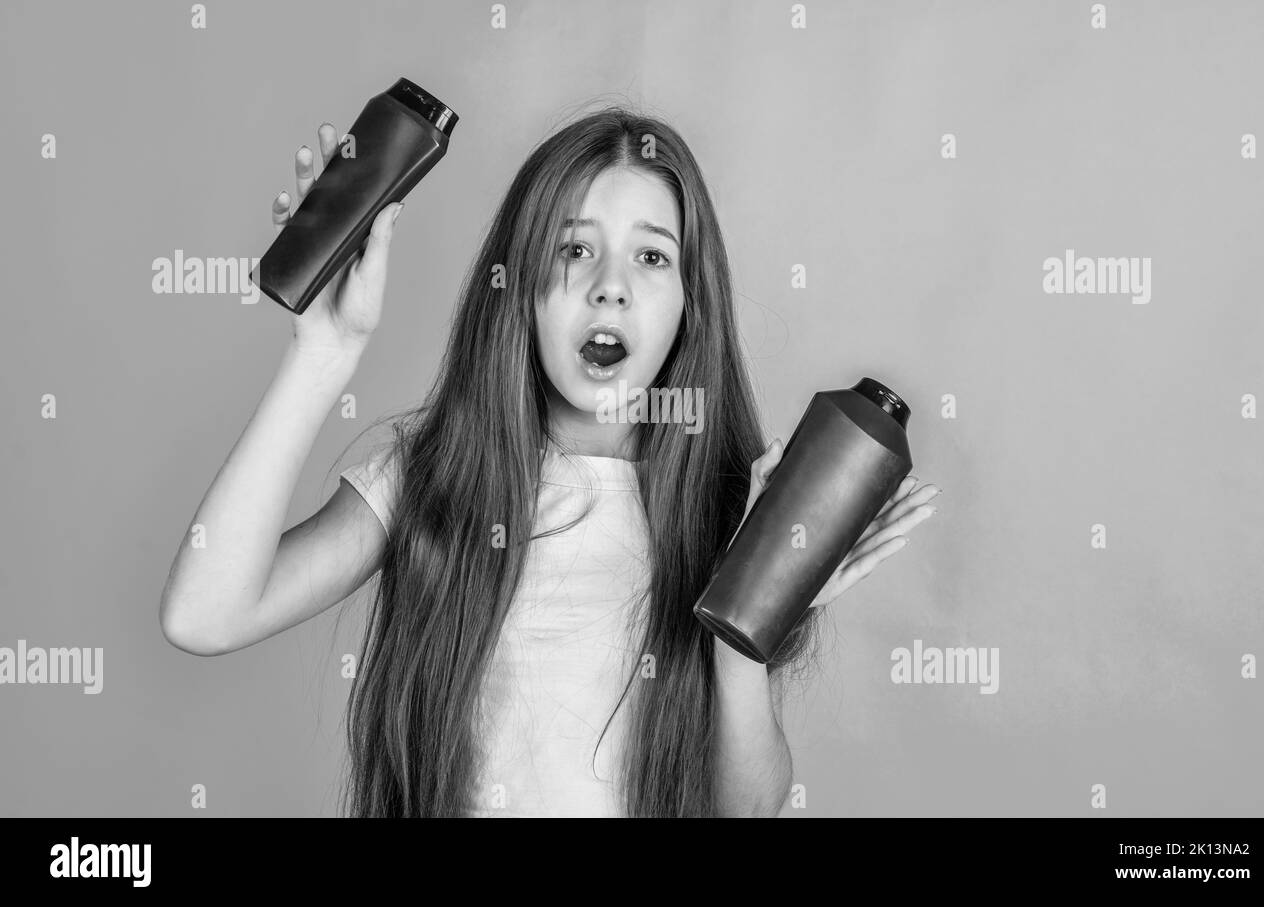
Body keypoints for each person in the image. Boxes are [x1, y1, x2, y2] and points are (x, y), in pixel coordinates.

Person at [159, 106, 940, 817]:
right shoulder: (433, 475)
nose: (611, 290)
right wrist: (323, 355)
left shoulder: (724, 514)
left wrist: (750, 616)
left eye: (651, 258)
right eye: (574, 248)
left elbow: (746, 810)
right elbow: (205, 613)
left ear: (688, 304)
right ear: (519, 284)